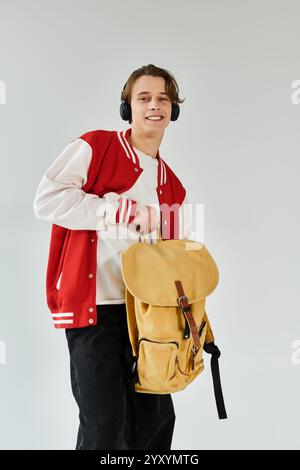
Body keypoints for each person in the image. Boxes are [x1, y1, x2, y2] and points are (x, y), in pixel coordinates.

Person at [33, 63, 193, 450]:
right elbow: (47, 200)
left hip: (148, 318)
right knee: (104, 426)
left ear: (173, 111)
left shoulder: (172, 185)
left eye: (163, 99)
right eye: (144, 98)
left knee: (155, 423)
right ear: (128, 108)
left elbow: (174, 256)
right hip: (96, 309)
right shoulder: (96, 147)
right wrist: (118, 210)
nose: (154, 105)